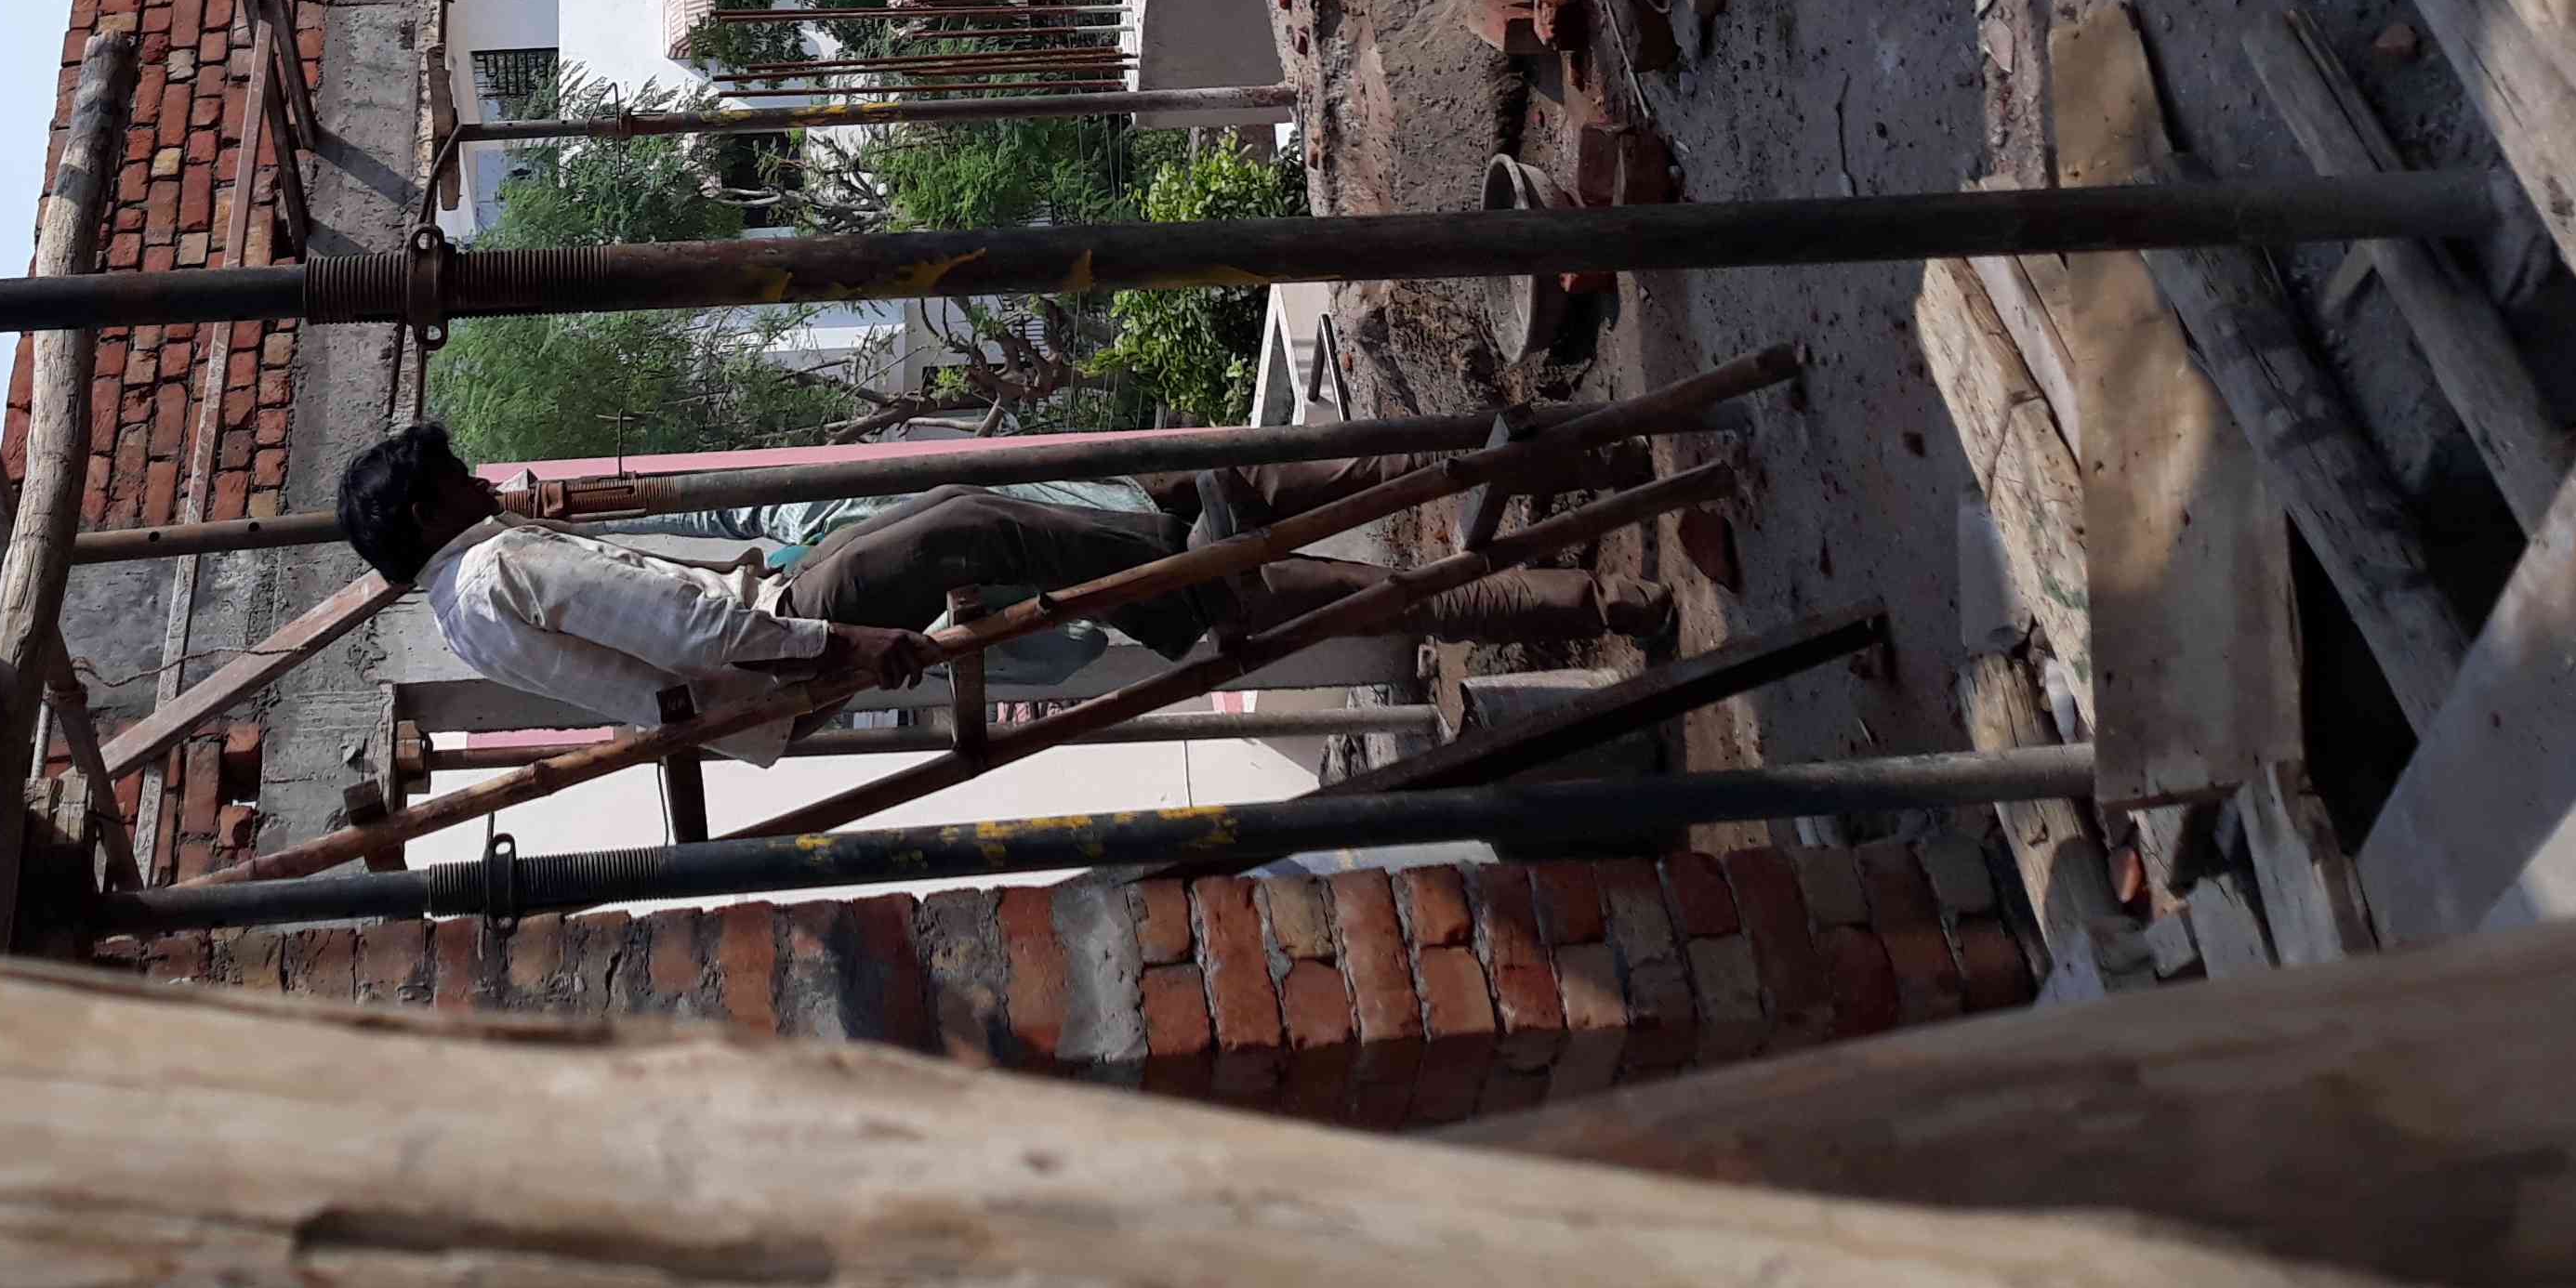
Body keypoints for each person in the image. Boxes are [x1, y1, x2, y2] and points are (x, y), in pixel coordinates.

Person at [334, 422, 1666, 743]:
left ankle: (1595, 563)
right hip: (785, 636)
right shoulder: (498, 563)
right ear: (429, 508)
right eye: (458, 478)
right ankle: (1588, 491)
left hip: (777, 648)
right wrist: (839, 652)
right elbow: (682, 629)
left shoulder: (467, 604)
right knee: (975, 519)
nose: (480, 482)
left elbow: (652, 674)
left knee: (987, 514)